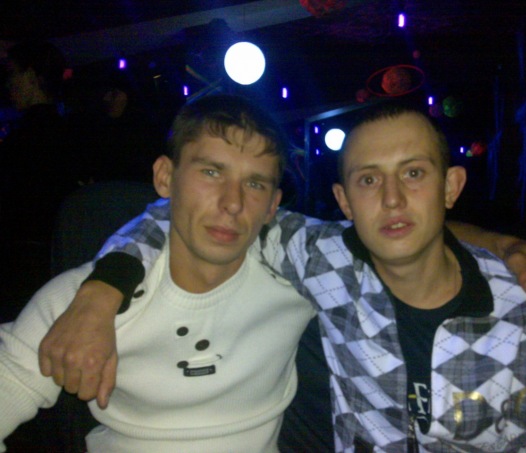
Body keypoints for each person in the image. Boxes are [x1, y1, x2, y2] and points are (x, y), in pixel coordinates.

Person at [36, 97, 526, 451]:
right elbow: (188, 212)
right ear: (343, 201)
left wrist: (506, 245)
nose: (392, 199)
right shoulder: (322, 259)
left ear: (450, 187)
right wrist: (102, 290)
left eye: (413, 174)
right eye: (369, 180)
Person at [0, 95, 316, 452]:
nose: (233, 203)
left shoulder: (300, 284)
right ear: (165, 178)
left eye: (255, 184)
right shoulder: (90, 299)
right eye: (211, 172)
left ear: (273, 205)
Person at [0, 40, 80, 316]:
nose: (8, 83)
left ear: (32, 77)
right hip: (61, 260)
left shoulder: (22, 139)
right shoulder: (70, 133)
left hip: (23, 262)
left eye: (13, 73)